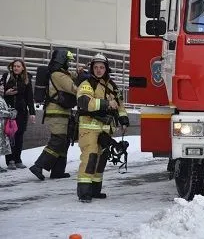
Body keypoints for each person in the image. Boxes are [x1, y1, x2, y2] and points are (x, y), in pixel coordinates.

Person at [76, 53, 129, 202]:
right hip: (89, 128)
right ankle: (84, 192)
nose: (99, 70)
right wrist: (106, 104)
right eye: (96, 67)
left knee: (101, 160)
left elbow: (120, 105)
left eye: (102, 67)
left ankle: (95, 190)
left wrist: (123, 119)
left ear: (106, 69)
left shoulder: (112, 85)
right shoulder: (87, 83)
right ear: (92, 68)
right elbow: (84, 102)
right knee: (90, 157)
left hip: (105, 129)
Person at [29, 49, 81, 180]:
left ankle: (58, 171)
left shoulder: (60, 73)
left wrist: (79, 73)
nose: (69, 64)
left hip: (62, 112)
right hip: (57, 113)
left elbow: (70, 75)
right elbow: (74, 89)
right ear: (61, 61)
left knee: (63, 142)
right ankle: (38, 166)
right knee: (58, 141)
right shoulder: (58, 75)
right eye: (68, 61)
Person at [1, 59, 36, 169]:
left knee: (19, 135)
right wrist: (6, 93)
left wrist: (32, 112)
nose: (16, 68)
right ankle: (10, 160)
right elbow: (1, 92)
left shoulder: (27, 78)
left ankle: (18, 159)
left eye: (18, 66)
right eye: (14, 66)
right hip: (9, 111)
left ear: (23, 68)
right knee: (9, 134)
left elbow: (30, 97)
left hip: (21, 111)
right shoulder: (6, 76)